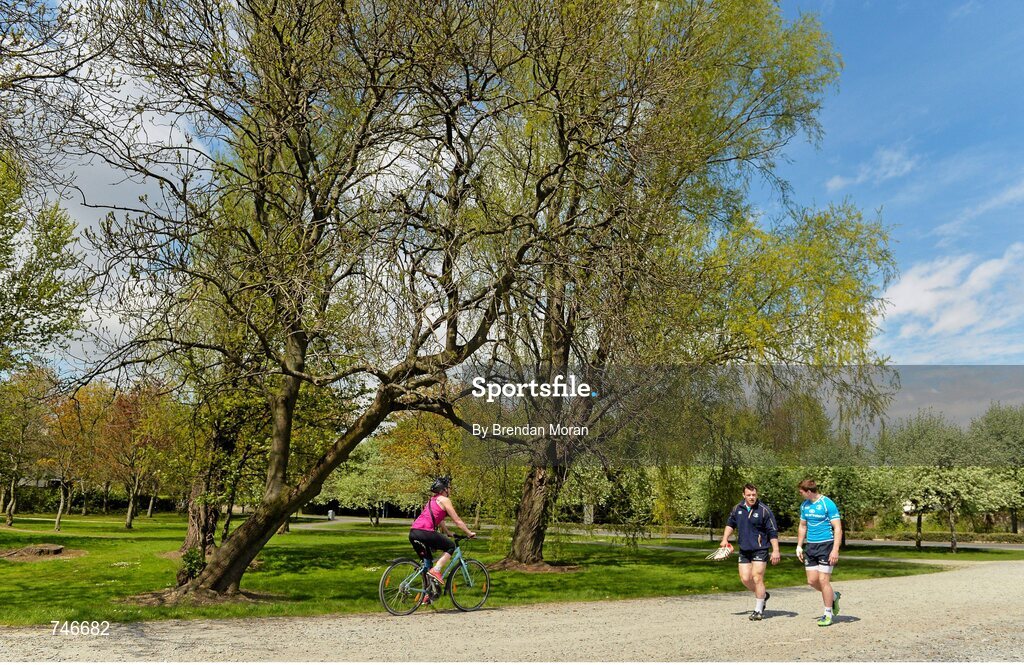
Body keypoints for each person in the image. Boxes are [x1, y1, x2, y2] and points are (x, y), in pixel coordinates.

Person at [718, 483, 781, 621]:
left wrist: (775, 550)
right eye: (749, 495)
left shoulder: (764, 510)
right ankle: (763, 595)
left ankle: (758, 610)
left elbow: (772, 532)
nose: (752, 497)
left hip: (760, 549)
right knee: (745, 579)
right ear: (744, 495)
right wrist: (725, 539)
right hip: (744, 549)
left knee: (757, 577)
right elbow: (730, 524)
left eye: (754, 495)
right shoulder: (737, 509)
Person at [409, 476, 476, 600]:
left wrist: (448, 532)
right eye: (449, 487)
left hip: (413, 532)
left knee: (427, 563)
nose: (450, 489)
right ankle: (437, 570)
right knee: (450, 546)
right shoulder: (445, 500)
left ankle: (428, 594)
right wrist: (468, 532)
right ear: (444, 489)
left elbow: (439, 520)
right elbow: (457, 520)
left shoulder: (432, 500)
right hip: (425, 531)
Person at [795, 478, 843, 627]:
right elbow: (802, 526)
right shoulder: (805, 505)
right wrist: (799, 546)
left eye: (802, 492)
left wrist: (835, 550)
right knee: (812, 581)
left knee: (823, 580)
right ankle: (833, 596)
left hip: (826, 546)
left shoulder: (827, 503)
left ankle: (828, 614)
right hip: (811, 546)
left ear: (809, 491)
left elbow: (838, 528)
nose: (801, 495)